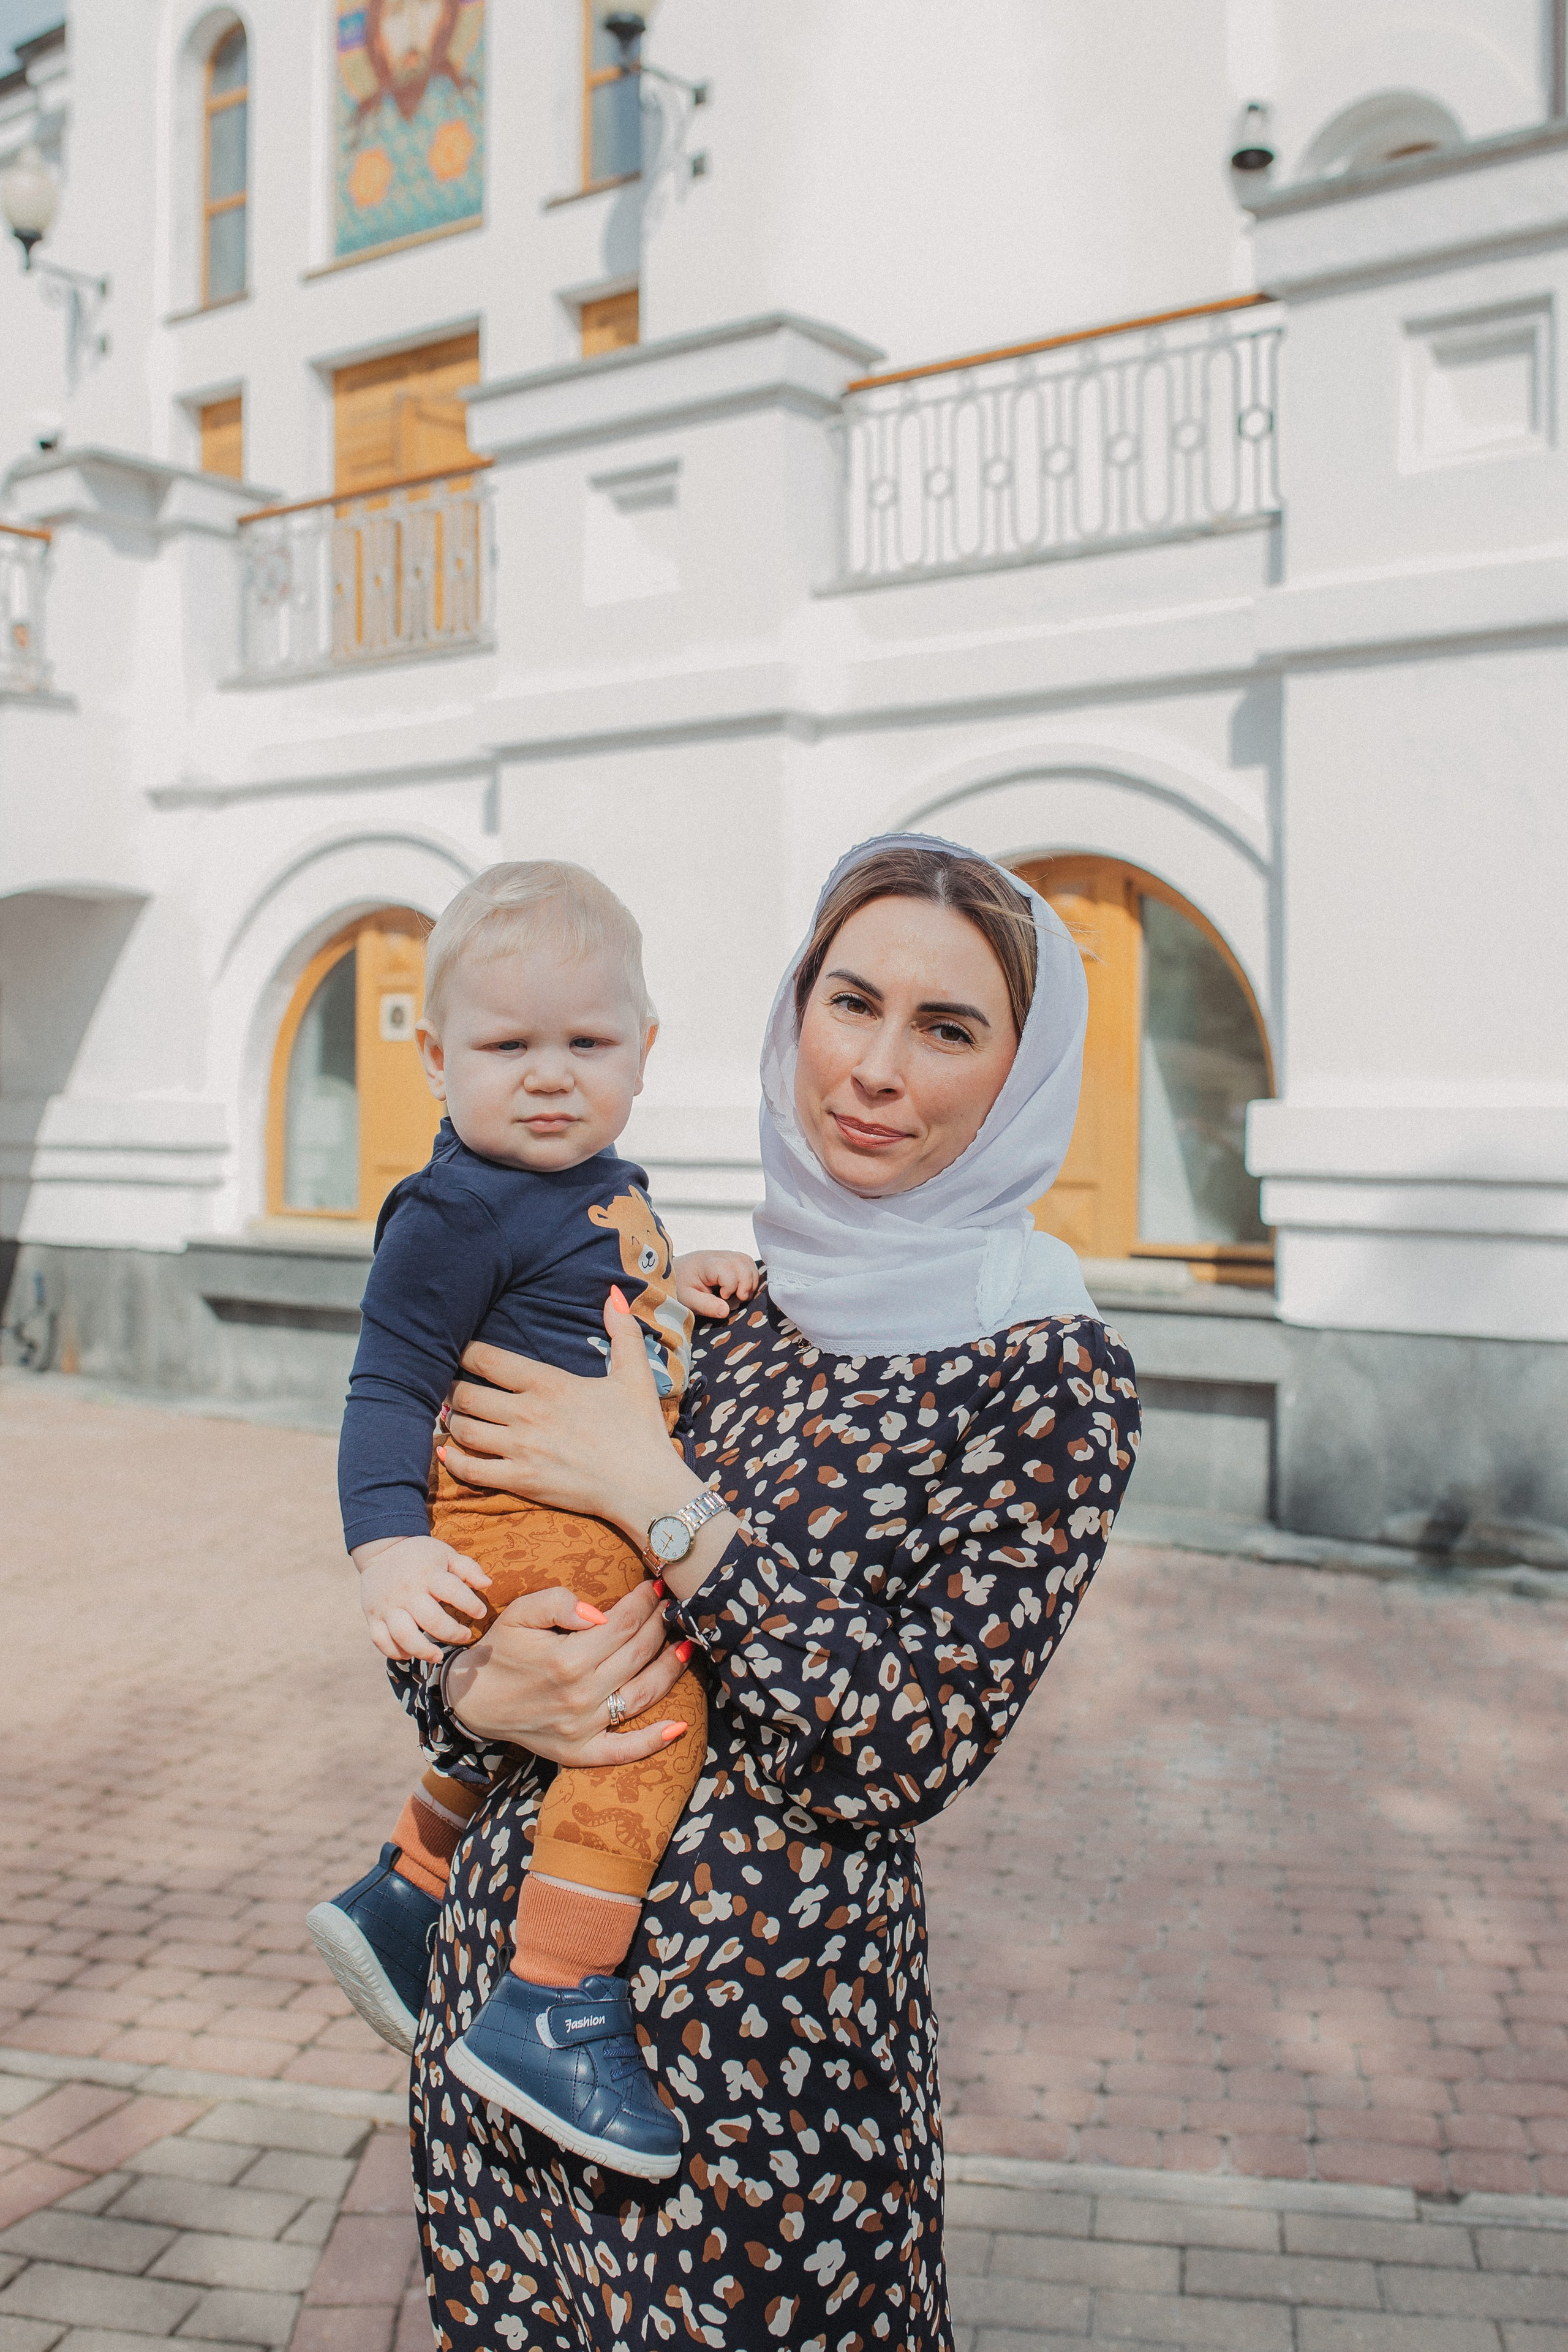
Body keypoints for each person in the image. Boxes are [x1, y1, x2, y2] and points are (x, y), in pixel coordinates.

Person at [393, 833, 1140, 2351]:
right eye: (846, 1002)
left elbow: (897, 1748)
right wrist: (472, 1689)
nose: (872, 1069)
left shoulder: (1042, 1374)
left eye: (946, 1030)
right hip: (501, 2036)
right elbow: (474, 1559)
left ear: (1019, 1075)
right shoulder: (708, 1305)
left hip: (763, 2101)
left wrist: (661, 1500)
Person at [305, 860, 759, 2182]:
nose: (550, 1074)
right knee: (641, 1714)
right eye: (509, 1046)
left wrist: (690, 1279)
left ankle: (406, 1890)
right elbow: (388, 1383)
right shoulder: (453, 1210)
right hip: (511, 1507)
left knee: (570, 1694)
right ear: (436, 1058)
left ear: (644, 1051)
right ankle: (553, 1998)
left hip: (576, 1499)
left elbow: (620, 1306)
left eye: (586, 1042)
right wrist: (386, 1545)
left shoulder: (599, 1180)